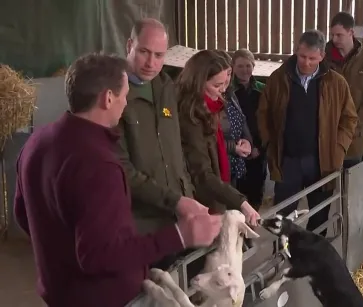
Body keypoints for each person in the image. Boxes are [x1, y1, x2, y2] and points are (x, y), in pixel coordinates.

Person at [13, 53, 222, 307]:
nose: (126, 102)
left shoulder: (37, 143)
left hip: (59, 292)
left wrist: (61, 255)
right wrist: (180, 236)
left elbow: (23, 214)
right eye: (124, 95)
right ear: (107, 98)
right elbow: (99, 256)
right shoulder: (99, 163)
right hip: (103, 299)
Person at [117, 18, 207, 283]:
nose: (151, 63)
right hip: (143, 222)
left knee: (185, 286)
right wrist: (175, 200)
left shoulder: (166, 86)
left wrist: (186, 193)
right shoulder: (115, 93)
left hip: (178, 215)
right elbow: (122, 169)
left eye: (159, 55)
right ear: (129, 45)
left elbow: (175, 148)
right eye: (144, 52)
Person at [257, 30, 358, 236]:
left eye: (312, 58)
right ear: (296, 51)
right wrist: (269, 143)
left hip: (321, 161)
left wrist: (338, 148)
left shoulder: (336, 83)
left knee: (320, 214)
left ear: (322, 56)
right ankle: (282, 258)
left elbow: (350, 118)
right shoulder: (279, 78)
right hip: (288, 160)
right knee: (283, 216)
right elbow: (263, 112)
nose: (306, 62)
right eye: (302, 56)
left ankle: (313, 257)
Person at [176, 50, 261, 225]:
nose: (223, 90)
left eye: (226, 82)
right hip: (201, 199)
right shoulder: (190, 116)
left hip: (218, 185)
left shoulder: (213, 106)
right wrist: (242, 203)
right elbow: (201, 172)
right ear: (198, 82)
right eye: (217, 85)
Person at [326, 12, 363, 167]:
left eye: (339, 35)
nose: (335, 39)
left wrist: (353, 127)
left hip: (354, 138)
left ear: (351, 32)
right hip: (326, 135)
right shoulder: (323, 57)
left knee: (351, 181)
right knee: (326, 185)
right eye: (332, 35)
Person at [231, 49, 268, 210]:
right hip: (235, 149)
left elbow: (268, 121)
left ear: (253, 66)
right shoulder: (228, 91)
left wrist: (259, 147)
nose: (244, 70)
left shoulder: (263, 90)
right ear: (232, 67)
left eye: (248, 66)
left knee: (256, 188)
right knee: (236, 191)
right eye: (240, 66)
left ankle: (252, 226)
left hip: (258, 150)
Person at [213, 50, 253, 187]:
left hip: (233, 161)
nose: (226, 78)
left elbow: (241, 119)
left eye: (228, 73)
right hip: (216, 164)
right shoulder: (203, 99)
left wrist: (248, 141)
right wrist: (232, 147)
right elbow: (203, 139)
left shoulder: (229, 93)